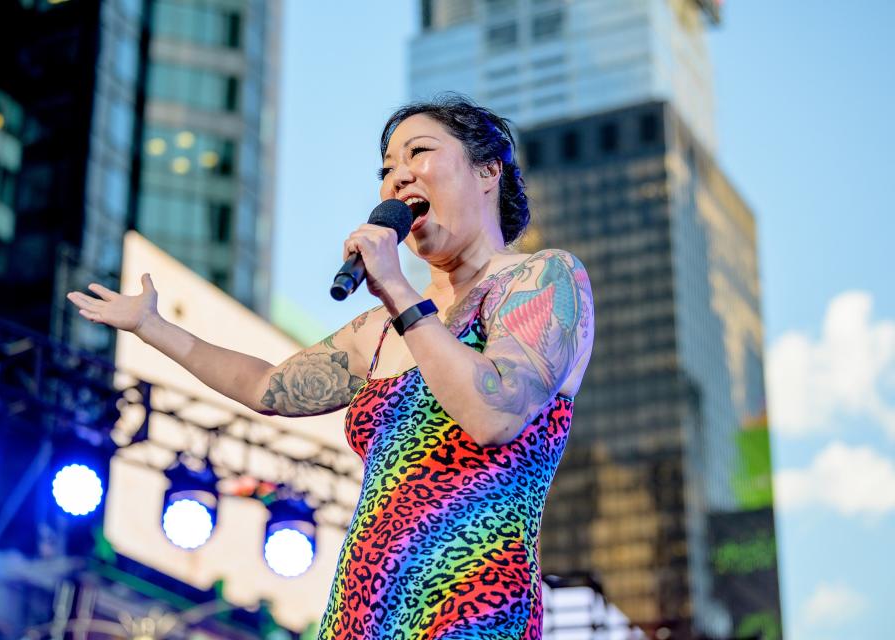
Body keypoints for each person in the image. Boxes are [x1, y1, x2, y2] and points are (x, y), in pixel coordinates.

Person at [67, 94, 594, 640]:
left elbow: (495, 416)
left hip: (472, 605)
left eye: (419, 153)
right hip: (357, 612)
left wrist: (395, 286)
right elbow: (266, 386)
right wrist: (154, 327)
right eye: (387, 170)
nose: (397, 179)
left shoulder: (541, 279)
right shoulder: (381, 328)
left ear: (488, 170)